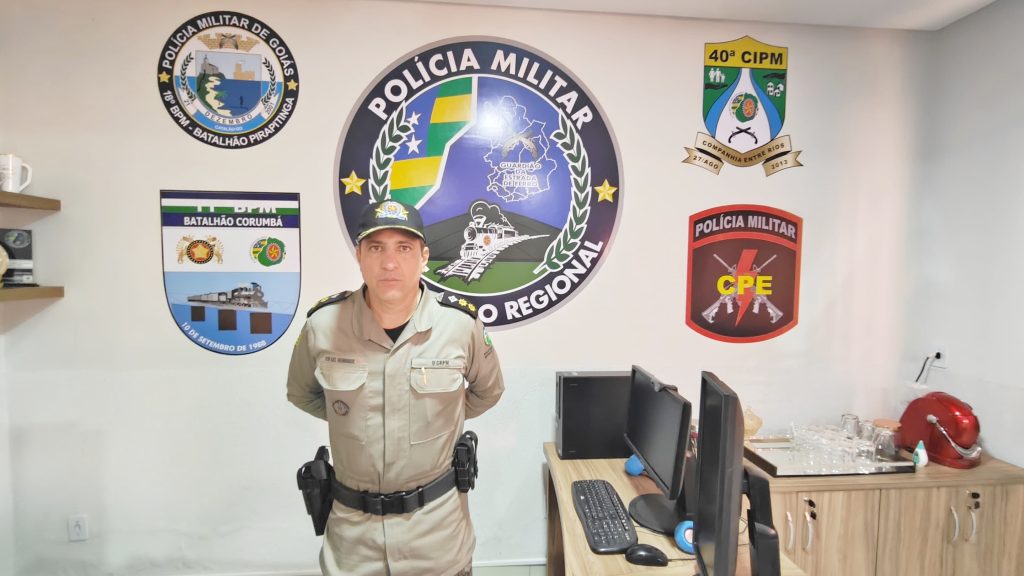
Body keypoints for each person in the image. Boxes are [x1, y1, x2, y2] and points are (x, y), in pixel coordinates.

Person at [287, 199, 504, 576]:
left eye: (403, 248)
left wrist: (437, 417)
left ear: (423, 257)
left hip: (437, 541)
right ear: (359, 256)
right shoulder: (322, 326)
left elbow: (489, 390)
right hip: (353, 547)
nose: (389, 263)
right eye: (376, 248)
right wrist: (354, 416)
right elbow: (301, 393)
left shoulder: (460, 326)